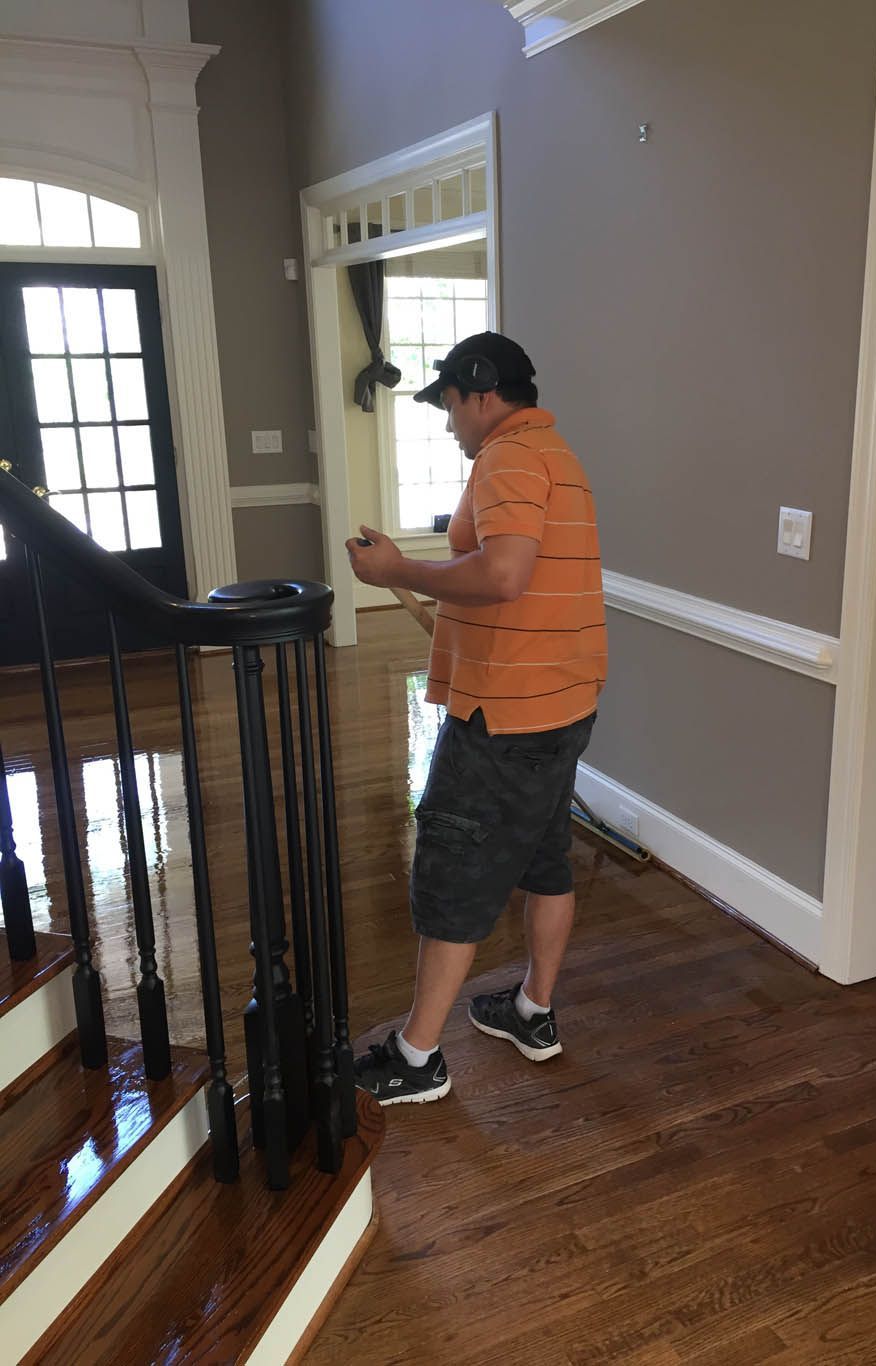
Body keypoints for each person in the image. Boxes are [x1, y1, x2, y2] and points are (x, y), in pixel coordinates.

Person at [345, 331, 606, 1104]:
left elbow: (503, 572)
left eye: (451, 406)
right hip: (564, 699)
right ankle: (531, 1012)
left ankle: (417, 1057)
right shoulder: (557, 454)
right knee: (544, 856)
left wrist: (395, 570)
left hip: (507, 714)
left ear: (481, 393)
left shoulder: (508, 457)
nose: (450, 423)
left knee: (455, 873)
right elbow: (519, 582)